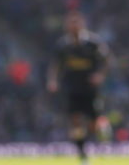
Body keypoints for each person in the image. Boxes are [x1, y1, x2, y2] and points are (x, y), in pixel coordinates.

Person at [47, 10, 112, 165]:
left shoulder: (93, 43)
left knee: (93, 123)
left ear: (83, 24)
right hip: (72, 89)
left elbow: (107, 60)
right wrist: (52, 80)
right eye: (71, 23)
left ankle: (102, 135)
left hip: (90, 89)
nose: (74, 26)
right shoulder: (63, 45)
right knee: (75, 121)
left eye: (76, 22)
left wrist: (100, 75)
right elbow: (55, 65)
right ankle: (82, 155)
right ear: (67, 26)